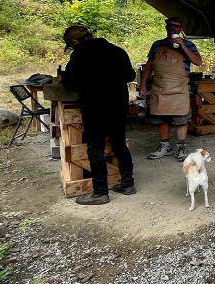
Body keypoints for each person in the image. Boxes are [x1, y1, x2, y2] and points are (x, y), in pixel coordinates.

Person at [61, 26, 137, 206]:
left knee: (95, 149)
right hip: (118, 106)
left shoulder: (79, 55)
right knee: (119, 144)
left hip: (94, 108)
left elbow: (68, 82)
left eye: (71, 46)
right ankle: (127, 184)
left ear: (75, 42)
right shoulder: (117, 51)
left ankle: (100, 193)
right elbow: (130, 75)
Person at [138, 17, 203, 162]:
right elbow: (149, 66)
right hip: (159, 87)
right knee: (160, 116)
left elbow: (198, 62)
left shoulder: (189, 44)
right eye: (169, 25)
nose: (172, 27)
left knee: (181, 118)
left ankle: (181, 147)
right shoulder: (157, 45)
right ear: (166, 27)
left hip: (179, 87)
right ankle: (165, 145)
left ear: (180, 30)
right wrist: (143, 84)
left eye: (176, 26)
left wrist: (183, 47)